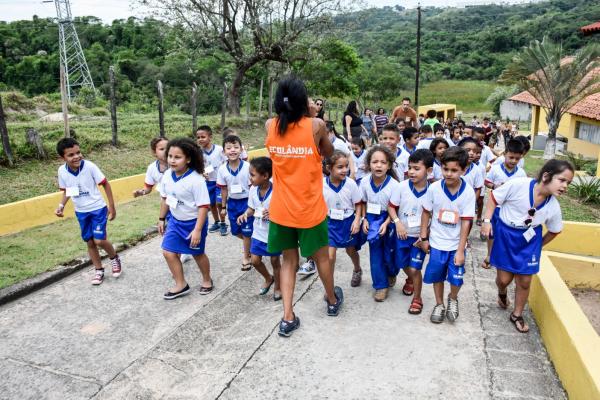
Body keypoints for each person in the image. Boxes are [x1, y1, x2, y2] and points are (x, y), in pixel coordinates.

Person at [265, 76, 343, 338]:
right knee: (321, 257)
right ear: (303, 101)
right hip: (309, 209)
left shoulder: (270, 125)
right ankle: (332, 300)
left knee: (289, 261)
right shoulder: (316, 125)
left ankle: (287, 317)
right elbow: (329, 152)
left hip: (281, 209)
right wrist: (312, 116)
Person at [481, 160, 573, 333]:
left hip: (530, 240)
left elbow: (555, 230)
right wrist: (487, 221)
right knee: (504, 280)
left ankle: (516, 314)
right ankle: (502, 292)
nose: (565, 186)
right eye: (562, 180)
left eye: (568, 183)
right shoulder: (518, 185)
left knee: (524, 281)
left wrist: (538, 246)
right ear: (546, 176)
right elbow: (493, 198)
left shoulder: (553, 206)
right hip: (506, 234)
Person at [419, 146, 475, 324]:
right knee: (437, 276)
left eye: (454, 170)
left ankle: (452, 298)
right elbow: (426, 213)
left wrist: (460, 250)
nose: (449, 174)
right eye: (445, 169)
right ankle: (439, 304)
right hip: (437, 242)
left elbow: (466, 221)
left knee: (456, 279)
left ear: (463, 170)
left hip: (456, 244)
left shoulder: (468, 192)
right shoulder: (434, 188)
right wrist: (424, 238)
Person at [55, 138, 122, 285]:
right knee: (90, 242)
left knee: (99, 240)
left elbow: (105, 184)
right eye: (71, 155)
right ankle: (99, 270)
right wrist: (61, 205)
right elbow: (68, 191)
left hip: (98, 208)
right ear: (62, 158)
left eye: (78, 152)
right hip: (81, 212)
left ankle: (114, 258)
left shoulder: (90, 166)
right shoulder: (62, 171)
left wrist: (111, 206)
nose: (76, 156)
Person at [158, 137, 212, 299]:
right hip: (175, 221)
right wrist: (161, 219)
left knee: (197, 253)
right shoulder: (167, 175)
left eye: (177, 157)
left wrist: (197, 230)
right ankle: (181, 284)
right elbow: (165, 198)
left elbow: (203, 206)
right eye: (170, 156)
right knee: (168, 252)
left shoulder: (196, 180)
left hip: (194, 223)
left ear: (188, 159)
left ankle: (207, 280)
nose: (172, 160)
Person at [388, 149, 433, 314]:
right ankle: (410, 278)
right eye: (410, 168)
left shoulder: (433, 191)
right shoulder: (402, 187)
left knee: (415, 268)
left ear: (428, 170)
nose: (411, 172)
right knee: (404, 265)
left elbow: (434, 216)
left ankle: (417, 299)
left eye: (416, 168)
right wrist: (397, 222)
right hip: (402, 235)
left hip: (418, 239)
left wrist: (426, 235)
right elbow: (391, 207)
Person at [237, 157, 282, 300]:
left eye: (253, 175)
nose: (250, 178)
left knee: (275, 261)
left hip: (273, 233)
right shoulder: (252, 190)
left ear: (265, 176)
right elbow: (252, 207)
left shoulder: (278, 190)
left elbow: (285, 209)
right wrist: (245, 214)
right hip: (258, 231)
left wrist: (274, 213)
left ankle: (278, 286)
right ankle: (268, 278)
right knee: (255, 261)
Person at [360, 145, 400, 302]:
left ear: (389, 165)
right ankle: (380, 285)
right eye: (375, 161)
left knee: (389, 253)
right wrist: (364, 219)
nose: (378, 165)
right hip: (371, 218)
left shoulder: (395, 185)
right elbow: (362, 202)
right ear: (369, 164)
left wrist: (387, 222)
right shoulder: (363, 182)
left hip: (389, 219)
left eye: (383, 162)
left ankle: (391, 272)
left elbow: (396, 207)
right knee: (375, 253)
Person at [480, 138, 528, 270]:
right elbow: (486, 182)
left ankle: (504, 257)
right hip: (495, 207)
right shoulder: (495, 169)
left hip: (511, 210)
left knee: (506, 233)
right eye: (511, 157)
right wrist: (494, 185)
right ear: (505, 154)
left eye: (517, 159)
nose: (513, 161)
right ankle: (489, 255)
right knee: (492, 233)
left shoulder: (521, 173)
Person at [323, 151, 364, 287]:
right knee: (329, 256)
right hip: (329, 224)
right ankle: (330, 286)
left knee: (351, 251)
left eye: (347, 166)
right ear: (329, 168)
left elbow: (358, 204)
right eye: (340, 167)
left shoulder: (351, 184)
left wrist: (357, 220)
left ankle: (357, 269)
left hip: (347, 223)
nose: (345, 170)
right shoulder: (321, 184)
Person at [217, 135, 253, 271]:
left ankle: (246, 257)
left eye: (236, 147)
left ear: (241, 150)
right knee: (236, 231)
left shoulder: (248, 167)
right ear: (224, 152)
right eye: (229, 148)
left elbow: (252, 187)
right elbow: (224, 188)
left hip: (247, 203)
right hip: (232, 204)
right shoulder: (222, 169)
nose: (232, 150)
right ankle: (250, 244)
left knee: (247, 231)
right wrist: (223, 207)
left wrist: (254, 205)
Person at [196, 126, 228, 235]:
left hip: (219, 182)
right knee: (211, 204)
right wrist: (202, 173)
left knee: (219, 203)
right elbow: (198, 167)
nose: (200, 139)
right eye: (198, 137)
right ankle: (217, 221)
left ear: (210, 137)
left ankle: (223, 223)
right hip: (207, 182)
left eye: (203, 137)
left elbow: (226, 162)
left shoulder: (219, 149)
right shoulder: (198, 153)